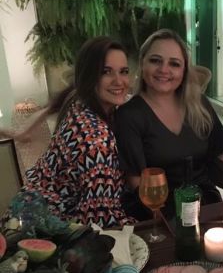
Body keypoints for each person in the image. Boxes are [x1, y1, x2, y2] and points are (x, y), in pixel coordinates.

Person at [14, 37, 134, 228]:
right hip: (41, 229)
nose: (119, 81)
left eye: (124, 71)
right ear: (89, 76)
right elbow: (98, 219)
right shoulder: (97, 139)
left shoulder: (80, 103)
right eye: (106, 72)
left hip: (24, 212)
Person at [114, 29, 223, 220]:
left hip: (207, 206)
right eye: (155, 60)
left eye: (174, 64)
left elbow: (221, 160)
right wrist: (165, 224)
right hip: (160, 213)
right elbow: (136, 181)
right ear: (142, 64)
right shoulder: (129, 115)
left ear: (184, 71)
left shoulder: (200, 104)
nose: (164, 70)